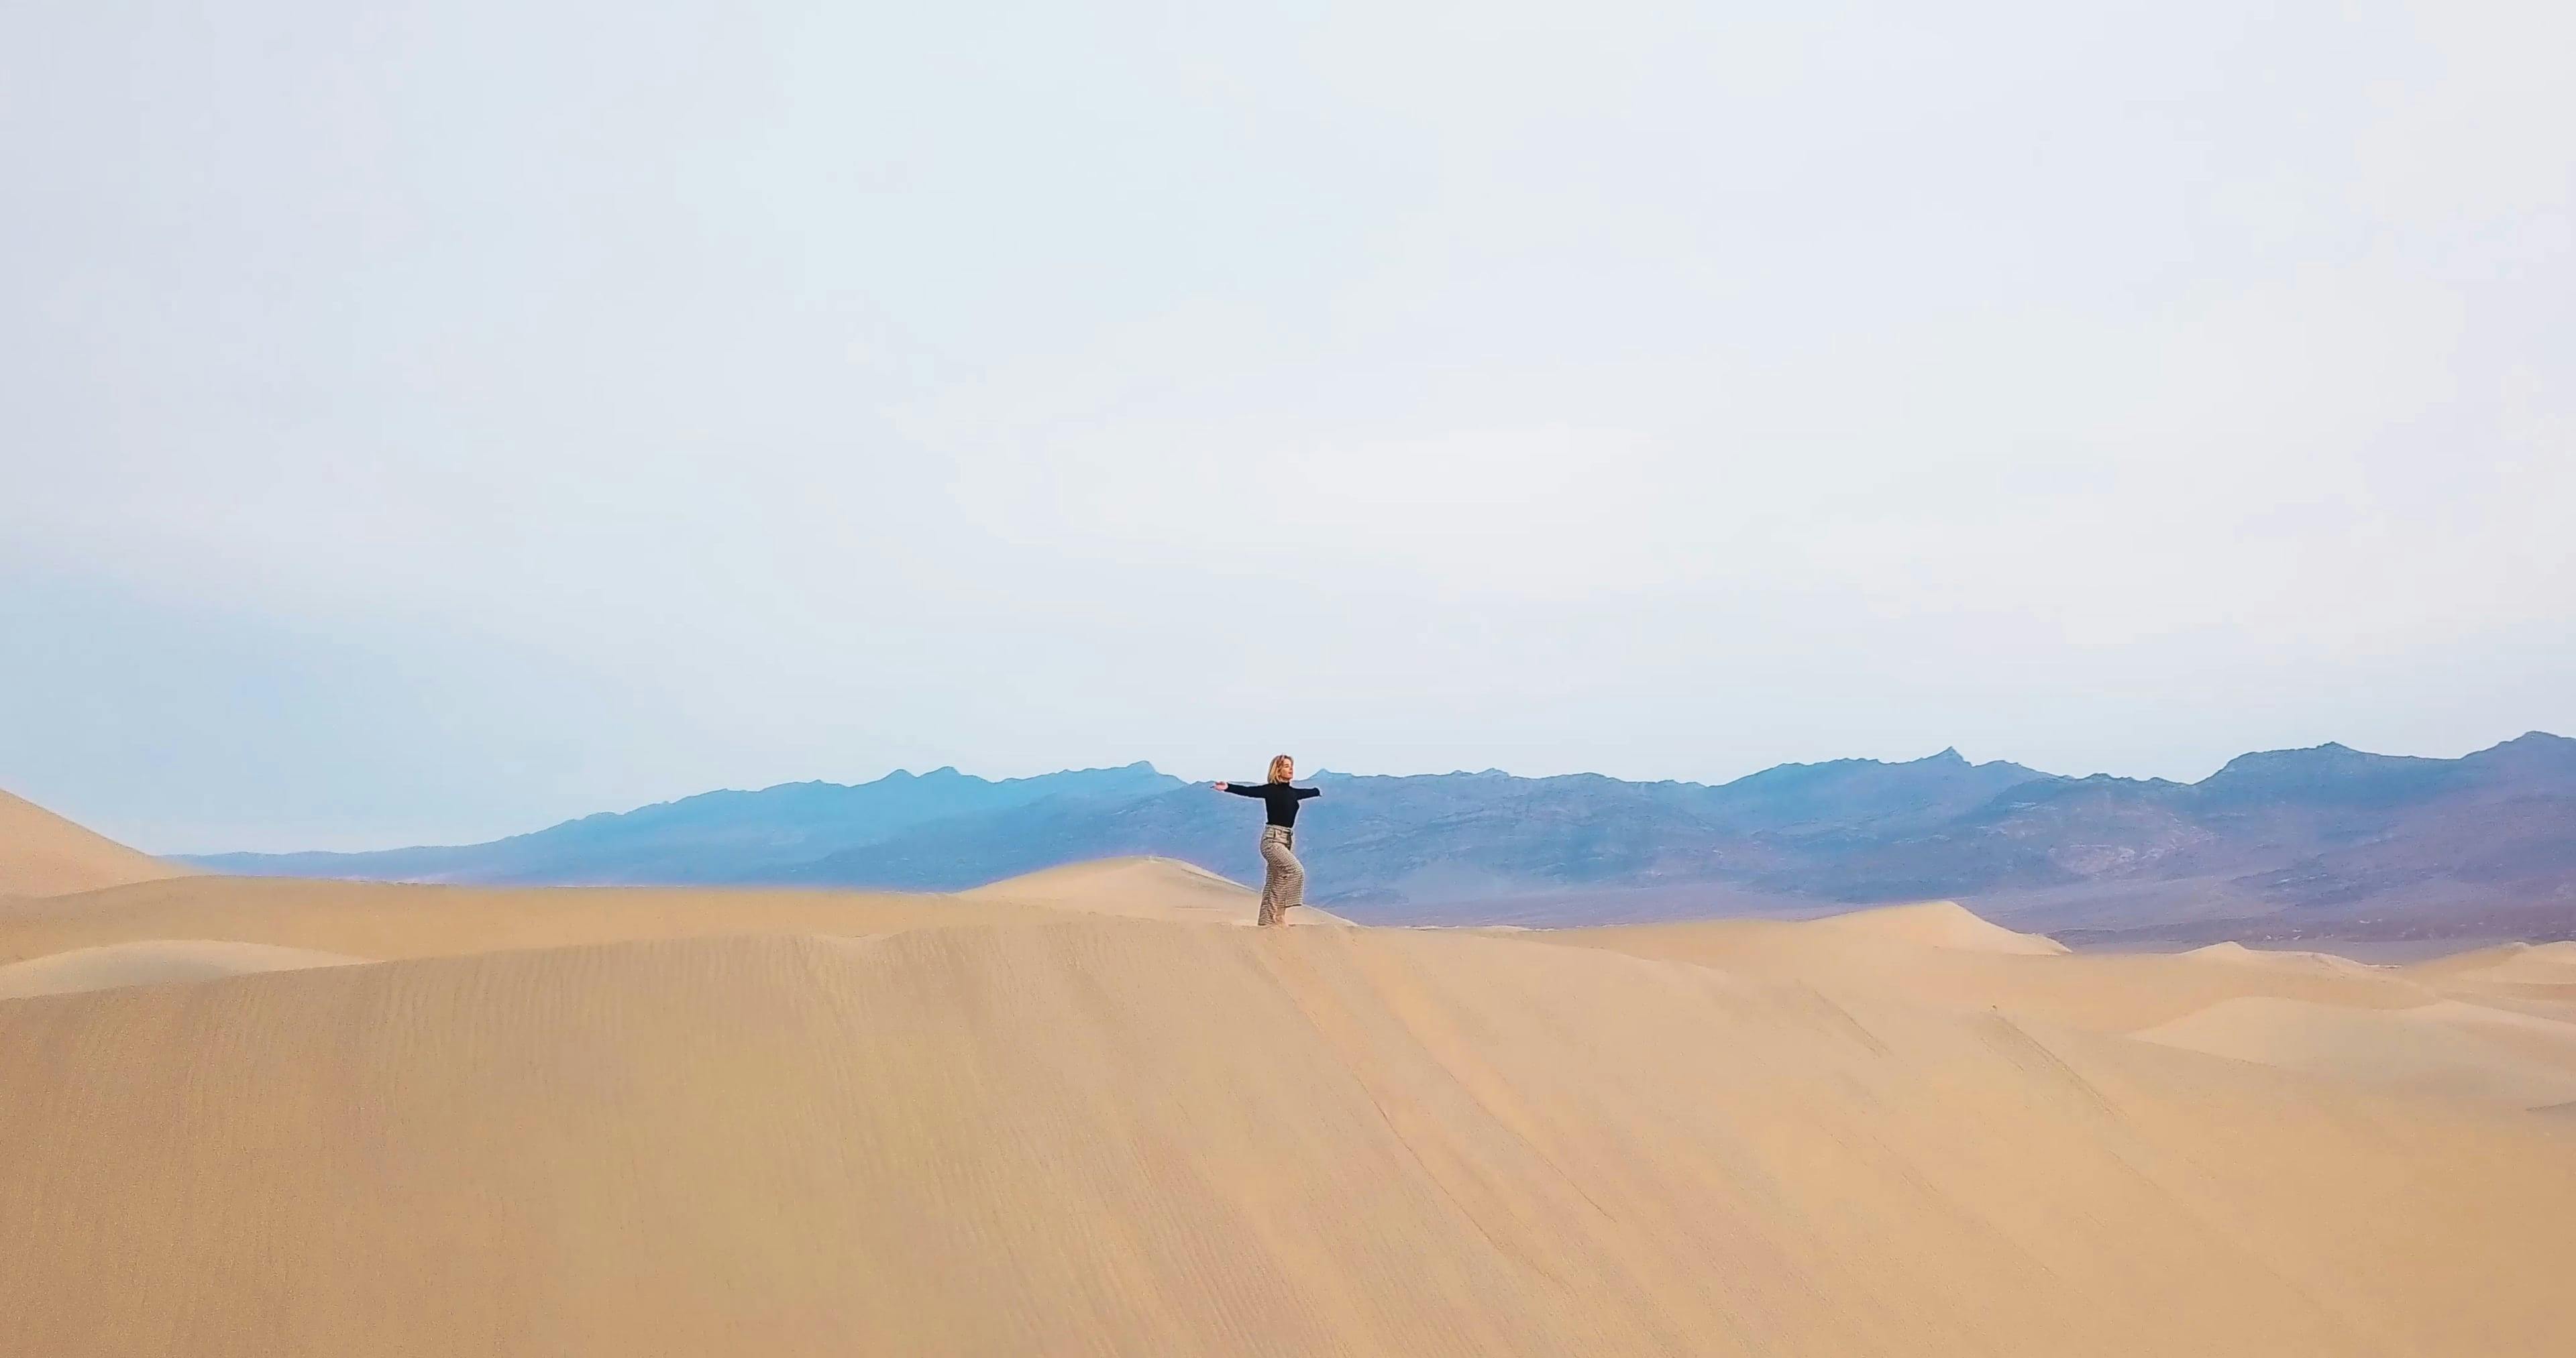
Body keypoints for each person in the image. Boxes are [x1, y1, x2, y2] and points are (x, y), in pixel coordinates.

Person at [1214, 755, 1321, 926]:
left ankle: (1268, 921)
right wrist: (1228, 787)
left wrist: (1317, 791)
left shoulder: (1293, 793)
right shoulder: (1271, 790)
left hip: (1287, 840)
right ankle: (1278, 914)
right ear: (1277, 770)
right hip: (1272, 840)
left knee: (1274, 880)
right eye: (1286, 766)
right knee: (1295, 871)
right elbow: (1249, 791)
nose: (1291, 769)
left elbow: (1306, 793)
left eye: (1291, 766)